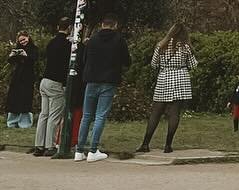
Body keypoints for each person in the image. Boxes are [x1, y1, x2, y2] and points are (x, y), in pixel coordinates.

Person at [74, 14, 131, 162]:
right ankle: (93, 150)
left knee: (86, 116)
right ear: (115, 25)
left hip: (91, 80)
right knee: (100, 115)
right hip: (109, 80)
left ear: (102, 25)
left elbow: (85, 59)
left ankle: (79, 150)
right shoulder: (119, 40)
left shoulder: (92, 40)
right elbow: (127, 61)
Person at [137, 22, 197, 155]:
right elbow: (193, 65)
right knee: (174, 113)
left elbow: (153, 64)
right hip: (181, 78)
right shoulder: (185, 47)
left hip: (164, 78)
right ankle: (168, 145)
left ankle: (145, 143)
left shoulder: (161, 45)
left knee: (156, 112)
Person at [33, 18, 70, 155]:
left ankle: (39, 145)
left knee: (44, 114)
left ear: (57, 27)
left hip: (45, 80)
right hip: (56, 82)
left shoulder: (51, 43)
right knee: (54, 116)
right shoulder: (67, 45)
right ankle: (50, 145)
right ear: (69, 28)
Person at [4, 31, 37, 129]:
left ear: (28, 37)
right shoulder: (17, 48)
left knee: (25, 100)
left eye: (24, 39)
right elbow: (11, 61)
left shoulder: (34, 49)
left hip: (28, 77)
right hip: (17, 77)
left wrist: (25, 55)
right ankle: (12, 122)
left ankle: (25, 123)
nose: (23, 42)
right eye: (20, 40)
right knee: (14, 99)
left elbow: (33, 59)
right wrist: (12, 55)